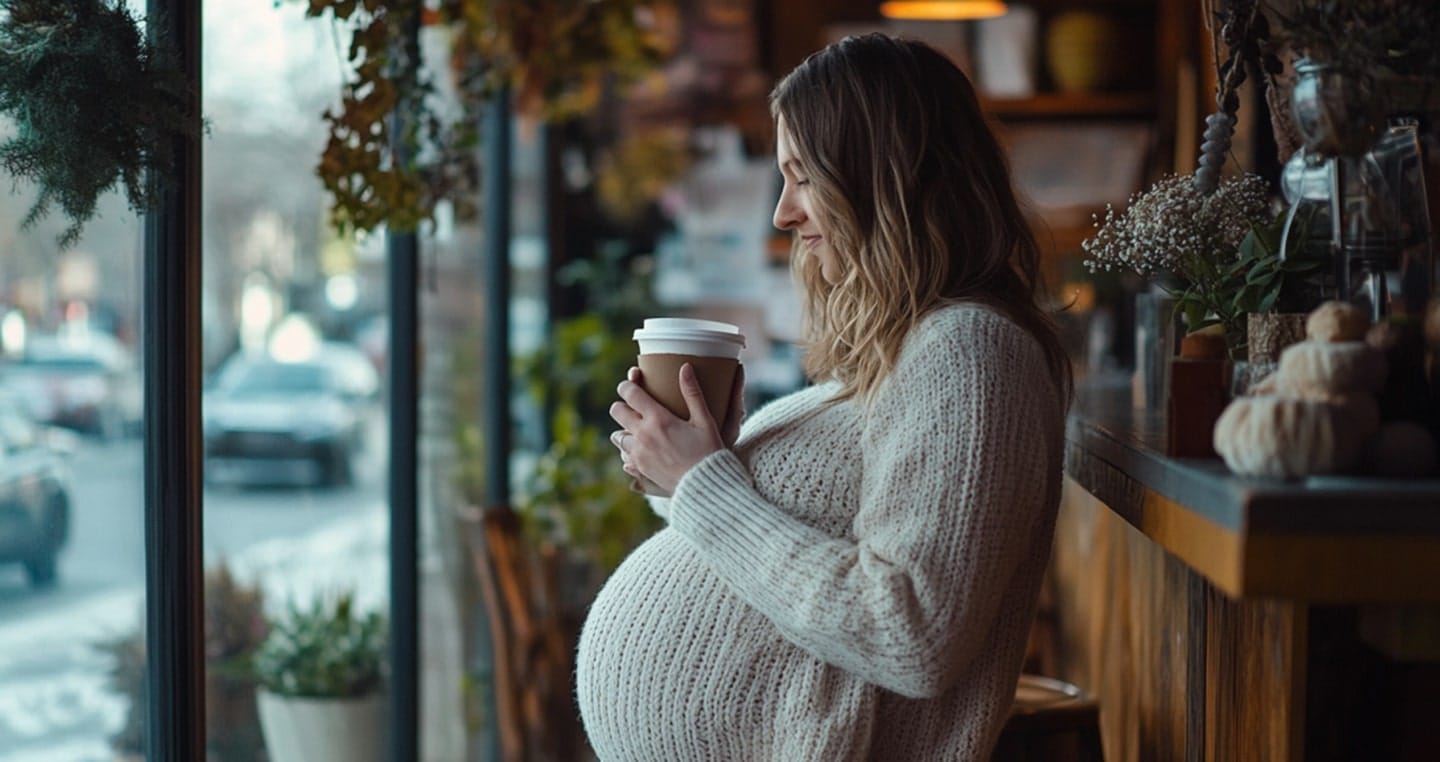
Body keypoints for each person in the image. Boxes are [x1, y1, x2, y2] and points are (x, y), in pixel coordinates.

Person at [576, 32, 1073, 761]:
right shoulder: (909, 352)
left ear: (884, 177)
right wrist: (692, 471)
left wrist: (705, 489)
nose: (783, 213)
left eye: (803, 177)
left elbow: (913, 634)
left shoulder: (969, 352)